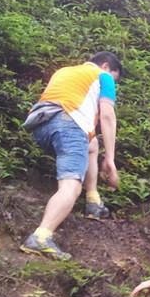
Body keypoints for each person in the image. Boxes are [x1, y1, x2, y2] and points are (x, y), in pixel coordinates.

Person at [19, 52, 122, 260]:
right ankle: (41, 236)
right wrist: (110, 159)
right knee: (71, 186)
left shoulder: (65, 71)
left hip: (41, 124)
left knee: (92, 144)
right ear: (106, 66)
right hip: (69, 124)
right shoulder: (104, 77)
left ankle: (93, 201)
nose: (114, 82)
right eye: (115, 77)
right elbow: (107, 116)